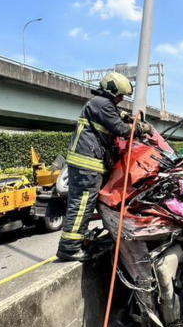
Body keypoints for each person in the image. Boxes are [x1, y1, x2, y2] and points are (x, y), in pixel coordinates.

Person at [56, 71, 150, 261]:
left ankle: (77, 242)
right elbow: (121, 130)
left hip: (87, 163)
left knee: (85, 204)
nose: (122, 98)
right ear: (112, 90)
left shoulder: (101, 105)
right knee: (82, 205)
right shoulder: (101, 104)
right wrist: (140, 128)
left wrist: (128, 117)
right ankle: (69, 248)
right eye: (120, 95)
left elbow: (116, 117)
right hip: (87, 164)